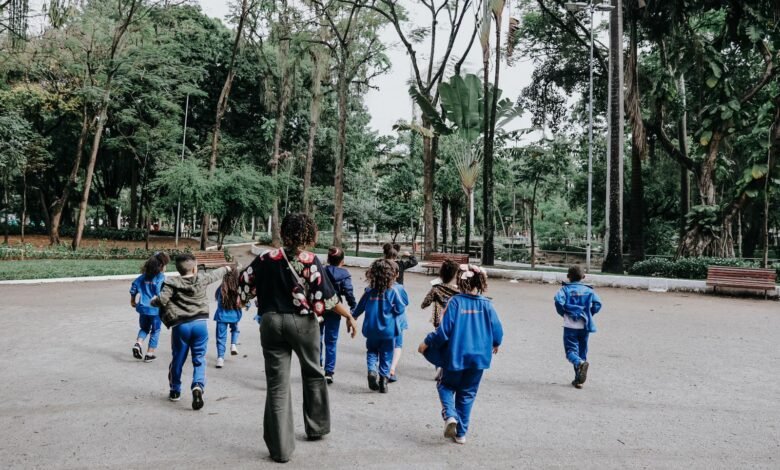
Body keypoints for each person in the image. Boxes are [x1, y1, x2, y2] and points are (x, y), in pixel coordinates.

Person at [238, 213, 358, 464]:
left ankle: (280, 449)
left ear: (284, 232)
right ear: (309, 234)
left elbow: (245, 286)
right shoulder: (310, 260)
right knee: (314, 373)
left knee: (277, 384)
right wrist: (349, 316)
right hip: (303, 322)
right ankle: (317, 427)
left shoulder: (264, 258)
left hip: (270, 322)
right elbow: (327, 297)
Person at [418, 264, 503, 445]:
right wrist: (496, 343)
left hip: (456, 356)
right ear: (481, 283)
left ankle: (450, 416)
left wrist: (427, 343)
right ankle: (461, 433)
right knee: (467, 394)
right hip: (479, 359)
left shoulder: (455, 302)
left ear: (460, 281)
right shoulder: (487, 304)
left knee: (445, 386)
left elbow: (443, 332)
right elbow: (498, 331)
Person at [152, 253, 230, 410]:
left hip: (181, 326)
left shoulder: (172, 283)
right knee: (199, 358)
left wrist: (153, 300)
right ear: (195, 267)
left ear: (178, 269)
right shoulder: (201, 278)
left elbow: (162, 300)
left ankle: (175, 390)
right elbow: (216, 274)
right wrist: (228, 268)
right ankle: (198, 386)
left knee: (178, 359)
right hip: (200, 324)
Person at [353, 259, 408, 393]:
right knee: (386, 354)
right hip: (389, 330)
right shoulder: (393, 291)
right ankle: (383, 380)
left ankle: (372, 371)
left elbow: (359, 307)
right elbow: (400, 309)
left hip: (371, 329)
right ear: (391, 275)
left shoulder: (369, 291)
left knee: (371, 351)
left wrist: (353, 317)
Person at [554, 265, 603, 389]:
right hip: (585, 325)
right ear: (583, 276)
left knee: (571, 352)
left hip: (570, 325)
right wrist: (589, 313)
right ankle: (578, 380)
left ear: (568, 276)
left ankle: (580, 365)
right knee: (582, 351)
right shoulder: (589, 290)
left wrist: (564, 313)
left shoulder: (565, 290)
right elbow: (598, 303)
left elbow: (558, 301)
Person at [321, 247, 357, 384]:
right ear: (342, 261)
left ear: (328, 259)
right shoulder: (344, 274)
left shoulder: (321, 270)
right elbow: (348, 292)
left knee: (317, 338)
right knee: (331, 340)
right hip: (336, 309)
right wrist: (353, 307)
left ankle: (317, 366)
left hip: (319, 307)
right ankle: (329, 372)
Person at [129, 252, 170, 362]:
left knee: (144, 328)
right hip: (155, 310)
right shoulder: (161, 277)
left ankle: (138, 343)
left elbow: (134, 286)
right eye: (165, 265)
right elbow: (159, 292)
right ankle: (149, 354)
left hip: (142, 308)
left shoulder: (143, 277)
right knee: (155, 330)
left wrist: (133, 300)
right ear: (160, 266)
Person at [213, 269, 243, 369]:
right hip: (235, 316)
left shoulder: (221, 289)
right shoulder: (238, 290)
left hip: (221, 317)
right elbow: (245, 302)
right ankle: (233, 344)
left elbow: (216, 297)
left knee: (221, 338)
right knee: (235, 329)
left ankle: (220, 359)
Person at [421, 259, 460, 328]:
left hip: (440, 322)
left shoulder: (436, 288)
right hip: (455, 320)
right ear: (455, 275)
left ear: (441, 274)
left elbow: (424, 304)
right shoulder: (459, 291)